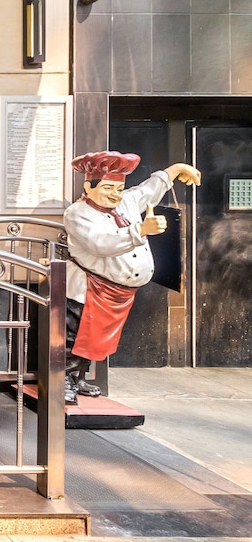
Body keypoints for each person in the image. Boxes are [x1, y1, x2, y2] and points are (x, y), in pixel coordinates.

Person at [63, 151, 201, 404]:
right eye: (107, 188)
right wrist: (141, 230)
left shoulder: (125, 203)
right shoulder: (77, 213)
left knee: (96, 340)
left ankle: (79, 377)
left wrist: (175, 170)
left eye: (118, 188)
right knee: (76, 337)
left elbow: (148, 190)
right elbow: (100, 243)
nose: (114, 194)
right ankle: (64, 379)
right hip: (90, 288)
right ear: (89, 187)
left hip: (119, 292)